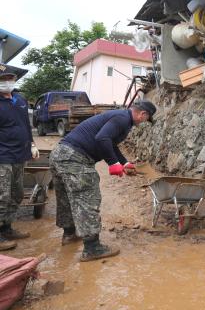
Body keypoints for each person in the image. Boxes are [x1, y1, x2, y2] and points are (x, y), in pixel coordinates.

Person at [49, 100, 157, 262]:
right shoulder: (123, 119)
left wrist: (124, 163)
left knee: (66, 198)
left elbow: (110, 143)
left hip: (60, 154)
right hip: (75, 158)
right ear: (143, 114)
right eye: (145, 120)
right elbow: (102, 138)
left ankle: (70, 234)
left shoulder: (120, 116)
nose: (143, 123)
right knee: (87, 198)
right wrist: (113, 164)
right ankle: (92, 248)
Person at [0, 63, 38, 251]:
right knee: (2, 196)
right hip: (2, 157)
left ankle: (6, 228)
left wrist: (31, 144)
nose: (7, 82)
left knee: (16, 194)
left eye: (10, 79)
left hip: (19, 155)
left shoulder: (20, 100)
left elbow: (26, 125)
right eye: (3, 79)